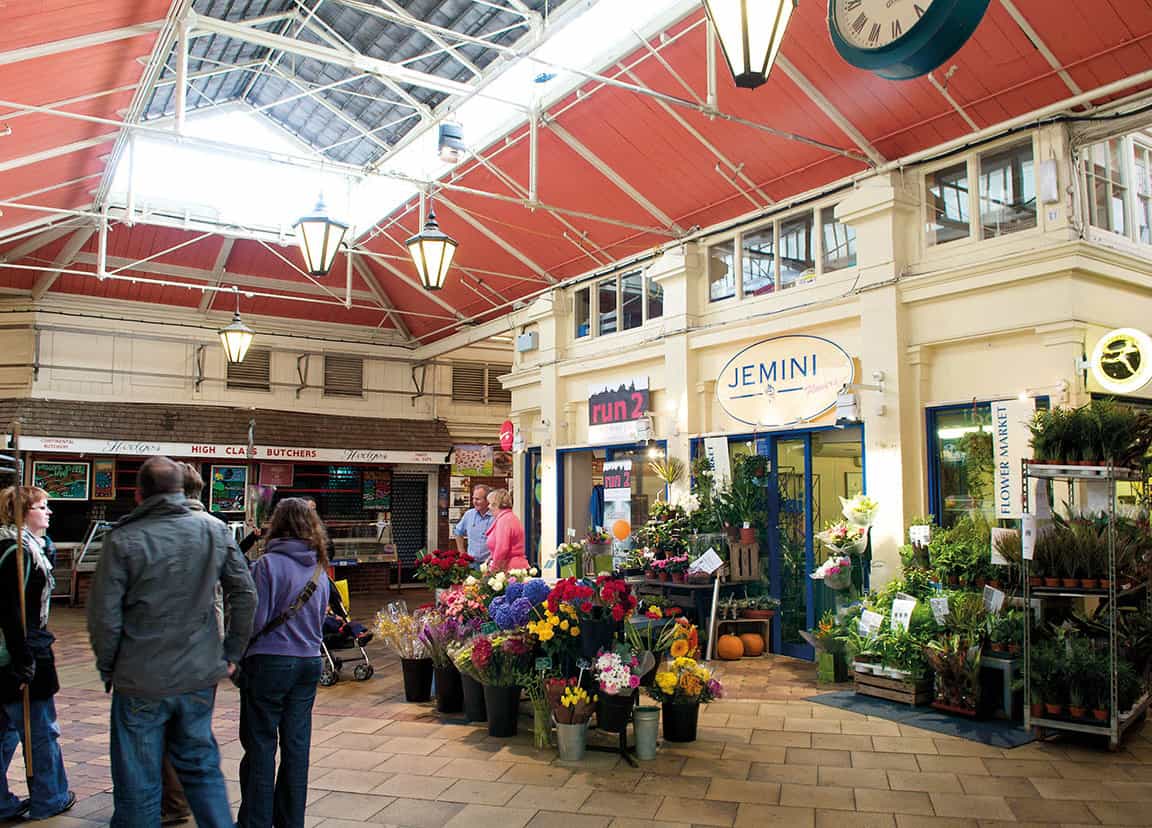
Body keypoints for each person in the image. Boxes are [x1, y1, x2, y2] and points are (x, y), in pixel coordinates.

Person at [87, 456, 256, 828]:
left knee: (138, 782)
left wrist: (109, 665)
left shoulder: (122, 538)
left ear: (137, 494)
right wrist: (232, 652)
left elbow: (104, 616)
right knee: (202, 771)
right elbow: (245, 593)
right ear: (181, 489)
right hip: (198, 674)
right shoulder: (213, 530)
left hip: (140, 678)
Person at [237, 498, 330, 828]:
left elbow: (254, 620)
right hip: (308, 664)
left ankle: (256, 822)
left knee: (261, 745)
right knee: (296, 747)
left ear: (277, 524)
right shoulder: (320, 567)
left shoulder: (266, 565)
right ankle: (291, 821)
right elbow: (320, 620)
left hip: (270, 663)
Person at [0, 485, 74, 821]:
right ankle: (50, 797)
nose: (49, 512)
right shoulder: (16, 551)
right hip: (22, 653)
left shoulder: (27, 546)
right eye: (42, 506)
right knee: (39, 730)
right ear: (22, 512)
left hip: (16, 652)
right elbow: (12, 611)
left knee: (6, 730)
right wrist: (24, 658)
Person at [484, 488, 528, 573]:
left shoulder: (504, 520)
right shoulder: (509, 517)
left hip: (509, 568)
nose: (488, 507)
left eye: (489, 504)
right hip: (514, 567)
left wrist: (493, 568)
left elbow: (502, 548)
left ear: (495, 504)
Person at [453, 484, 493, 565]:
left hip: (490, 564)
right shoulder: (469, 514)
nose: (474, 501)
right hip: (471, 563)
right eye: (473, 498)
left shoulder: (495, 517)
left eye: (478, 499)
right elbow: (457, 532)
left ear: (487, 500)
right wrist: (462, 553)